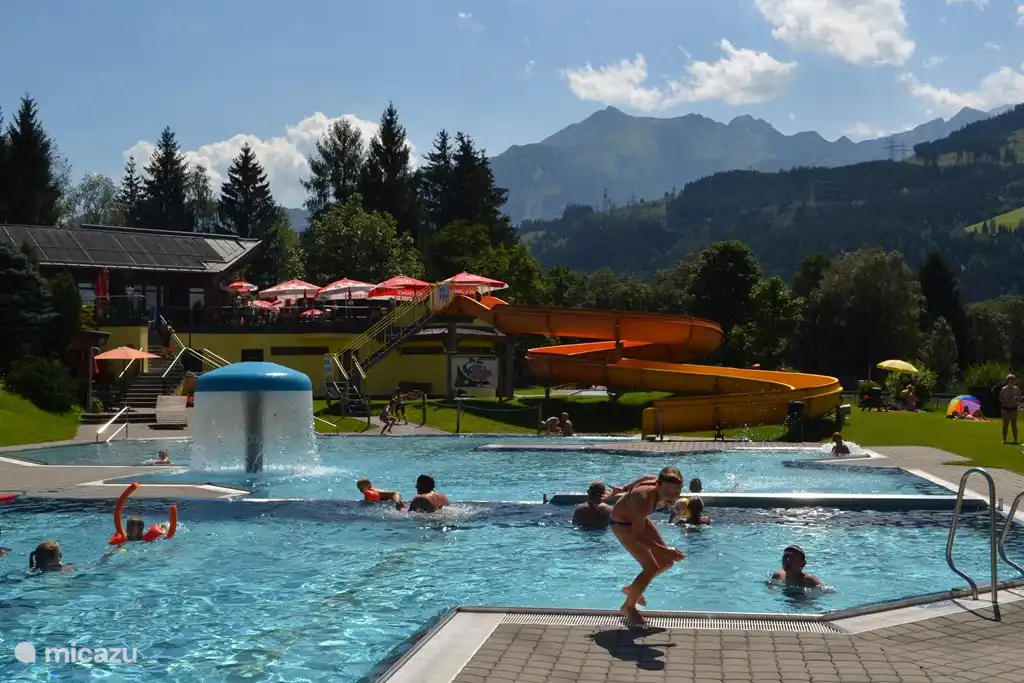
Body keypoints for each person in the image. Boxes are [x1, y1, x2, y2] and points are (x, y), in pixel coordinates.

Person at [609, 466, 687, 624]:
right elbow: (637, 536)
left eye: (676, 493)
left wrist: (624, 488)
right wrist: (666, 550)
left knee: (666, 562)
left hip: (638, 519)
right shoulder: (644, 500)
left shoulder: (658, 481)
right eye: (667, 492)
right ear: (658, 485)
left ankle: (632, 589)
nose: (672, 497)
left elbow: (645, 478)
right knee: (651, 567)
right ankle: (628, 607)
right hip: (622, 524)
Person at [1000, 374, 1021, 444]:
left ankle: (1015, 440)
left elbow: (1019, 398)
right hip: (1005, 408)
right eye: (1010, 380)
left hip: (1013, 408)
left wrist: (1016, 400)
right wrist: (1006, 399)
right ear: (1007, 380)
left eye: (1013, 380)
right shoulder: (1004, 389)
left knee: (1014, 424)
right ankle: (1004, 439)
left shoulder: (1016, 389)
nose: (1012, 381)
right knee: (1005, 424)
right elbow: (1000, 399)